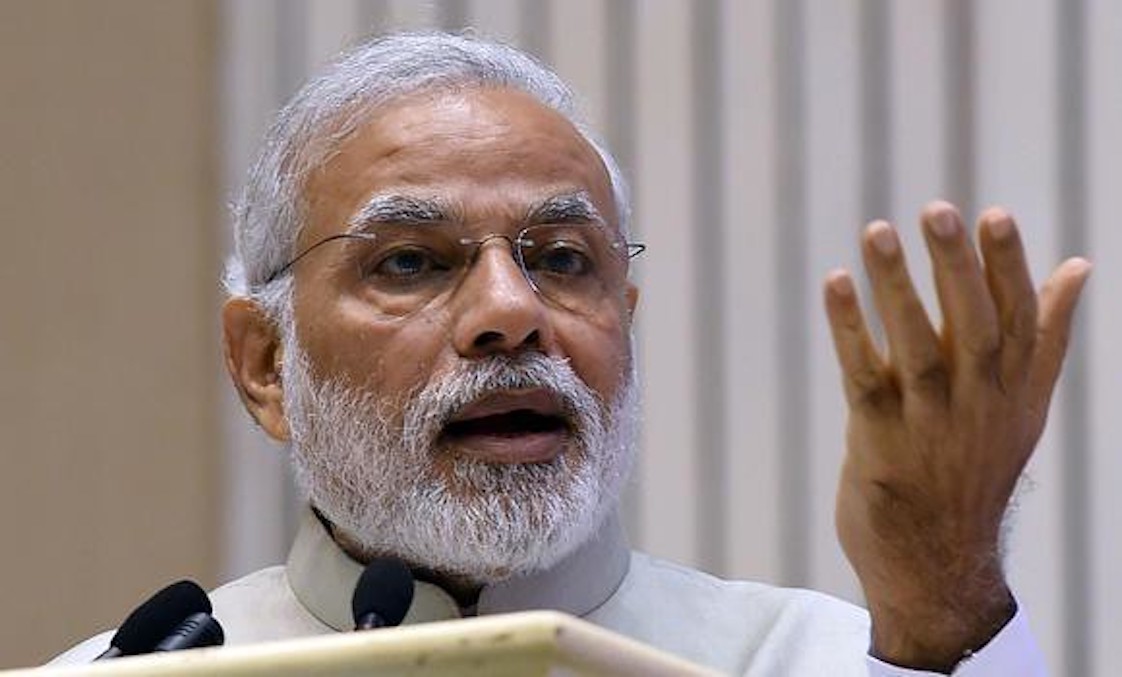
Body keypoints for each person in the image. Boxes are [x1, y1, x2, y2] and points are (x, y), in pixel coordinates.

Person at [51, 32, 1090, 675]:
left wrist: (943, 591)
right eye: (412, 260)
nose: (511, 311)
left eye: (560, 257)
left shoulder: (828, 663)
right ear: (265, 363)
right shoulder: (138, 676)